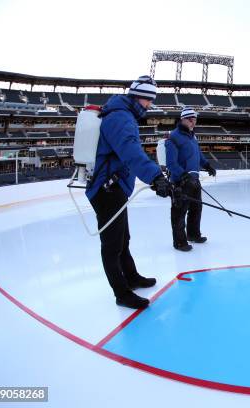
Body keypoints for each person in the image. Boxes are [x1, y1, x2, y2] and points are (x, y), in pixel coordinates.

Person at [86, 75, 171, 309]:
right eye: (149, 101)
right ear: (140, 97)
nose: (150, 106)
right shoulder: (120, 117)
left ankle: (131, 277)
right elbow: (131, 152)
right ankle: (121, 293)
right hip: (106, 189)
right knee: (112, 244)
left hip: (114, 187)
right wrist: (155, 176)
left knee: (123, 239)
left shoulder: (122, 114)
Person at [166, 107, 217, 252]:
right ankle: (179, 242)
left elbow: (198, 155)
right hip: (180, 181)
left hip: (194, 179)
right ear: (182, 119)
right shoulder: (173, 137)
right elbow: (171, 163)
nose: (193, 122)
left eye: (195, 119)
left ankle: (193, 234)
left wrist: (207, 165)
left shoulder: (192, 137)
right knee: (179, 211)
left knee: (196, 208)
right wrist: (182, 175)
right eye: (190, 119)